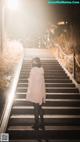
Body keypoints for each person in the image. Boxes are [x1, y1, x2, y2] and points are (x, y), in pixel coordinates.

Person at [26, 57, 46, 130]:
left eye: (34, 61)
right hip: (40, 91)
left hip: (34, 91)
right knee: (40, 107)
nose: (33, 63)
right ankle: (42, 123)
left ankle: (36, 123)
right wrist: (43, 94)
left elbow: (31, 83)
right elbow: (43, 83)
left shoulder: (33, 70)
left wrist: (29, 93)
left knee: (35, 108)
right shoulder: (41, 70)